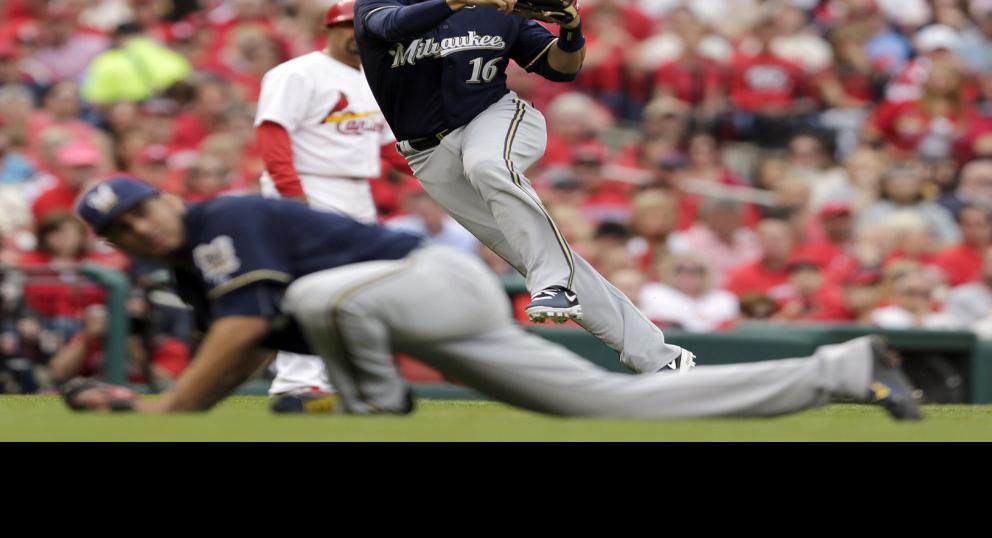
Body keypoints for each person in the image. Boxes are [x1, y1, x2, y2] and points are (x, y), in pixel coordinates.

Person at [64, 178, 922, 421]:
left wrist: (166, 410)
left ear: (164, 197)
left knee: (319, 297)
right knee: (608, 409)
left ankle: (376, 405)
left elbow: (251, 321)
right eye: (124, 231)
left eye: (142, 208)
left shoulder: (224, 215)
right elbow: (241, 348)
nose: (141, 229)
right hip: (406, 311)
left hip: (419, 281)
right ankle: (841, 371)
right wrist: (168, 410)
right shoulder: (185, 270)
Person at [352, 0, 690, 373]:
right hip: (427, 154)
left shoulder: (501, 10)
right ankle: (660, 360)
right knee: (541, 255)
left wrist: (572, 29)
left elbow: (561, 67)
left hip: (494, 118)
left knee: (487, 165)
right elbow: (386, 26)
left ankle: (554, 284)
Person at [255, 1, 412, 398]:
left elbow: (389, 149)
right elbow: (273, 135)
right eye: (346, 26)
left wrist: (445, 170)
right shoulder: (297, 73)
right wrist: (293, 197)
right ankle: (296, 381)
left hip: (355, 189)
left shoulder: (375, 78)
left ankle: (340, 379)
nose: (354, 34)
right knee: (307, 285)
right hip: (308, 184)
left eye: (361, 27)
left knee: (354, 290)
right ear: (330, 29)